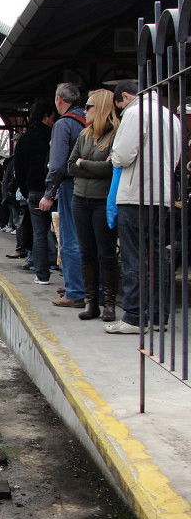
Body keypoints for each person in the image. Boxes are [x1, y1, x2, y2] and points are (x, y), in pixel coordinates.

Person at [105, 80, 181, 334]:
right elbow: (177, 157)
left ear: (125, 96)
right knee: (158, 256)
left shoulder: (135, 113)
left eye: (119, 106)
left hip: (135, 195)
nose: (120, 111)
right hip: (163, 196)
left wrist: (113, 155)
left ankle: (134, 317)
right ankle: (159, 316)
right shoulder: (170, 116)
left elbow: (123, 155)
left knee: (133, 257)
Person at [67, 89, 119, 321]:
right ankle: (91, 302)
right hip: (80, 199)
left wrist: (83, 164)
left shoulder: (116, 134)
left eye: (89, 106)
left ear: (101, 108)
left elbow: (111, 169)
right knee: (86, 251)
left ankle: (109, 303)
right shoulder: (84, 135)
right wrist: (92, 165)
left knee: (106, 253)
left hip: (102, 201)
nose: (85, 110)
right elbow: (70, 165)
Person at [39, 83, 86, 306]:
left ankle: (75, 290)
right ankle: (87, 286)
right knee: (90, 238)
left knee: (69, 238)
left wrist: (49, 193)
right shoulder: (92, 120)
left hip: (70, 186)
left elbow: (57, 165)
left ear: (59, 100)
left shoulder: (64, 124)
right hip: (94, 186)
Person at [16, 102, 55, 281]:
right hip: (56, 189)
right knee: (66, 233)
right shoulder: (52, 134)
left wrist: (25, 190)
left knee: (40, 232)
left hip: (34, 191)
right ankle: (67, 274)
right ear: (46, 116)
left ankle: (42, 274)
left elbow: (19, 168)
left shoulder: (24, 139)